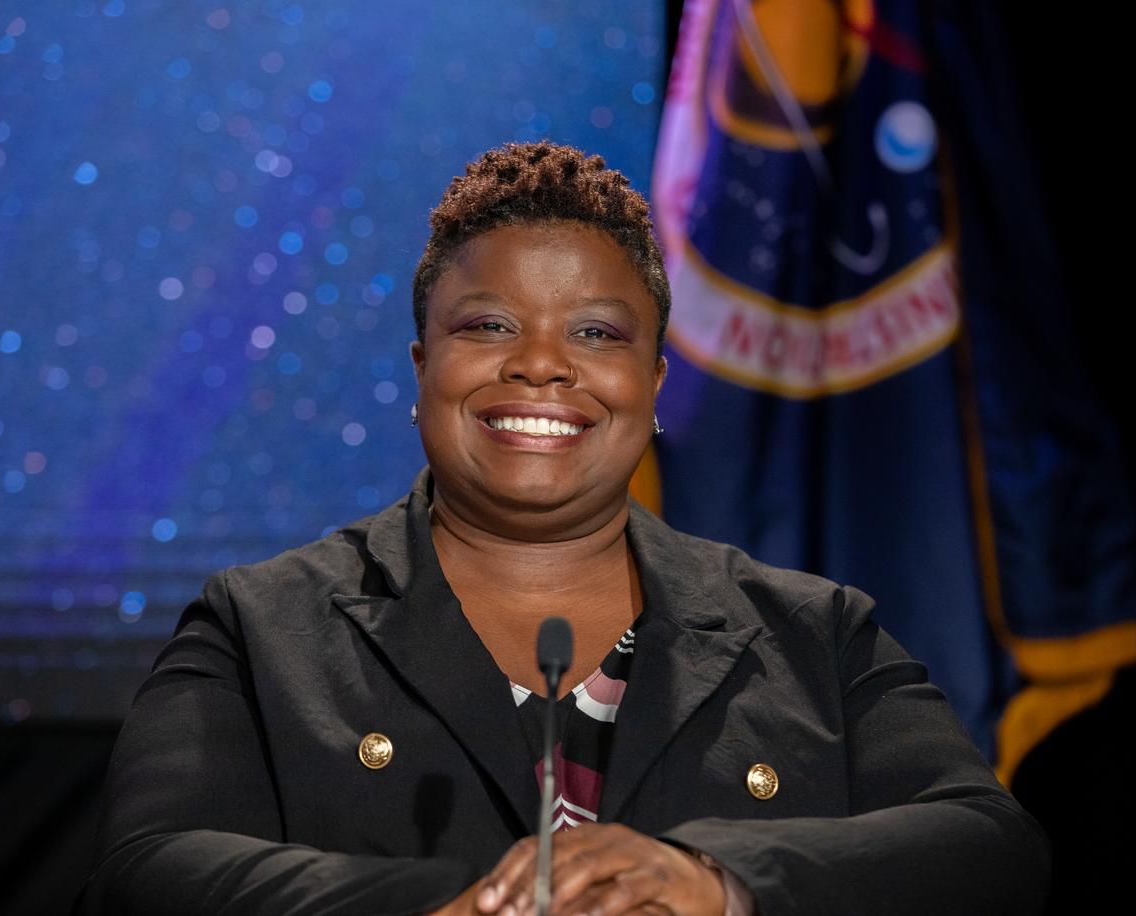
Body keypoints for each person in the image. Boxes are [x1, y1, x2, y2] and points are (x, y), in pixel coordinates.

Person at [73, 141, 1051, 916]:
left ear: (653, 383)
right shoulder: (257, 628)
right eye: (487, 326)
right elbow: (146, 867)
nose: (540, 365)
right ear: (421, 368)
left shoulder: (814, 634)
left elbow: (992, 845)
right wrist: (455, 903)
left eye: (595, 332)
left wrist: (714, 882)